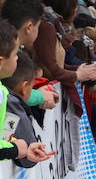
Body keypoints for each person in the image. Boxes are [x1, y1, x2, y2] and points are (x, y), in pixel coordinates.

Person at [0, 23, 55, 164]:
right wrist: (16, 149)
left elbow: (3, 136)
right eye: (15, 54)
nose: (17, 58)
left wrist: (25, 148)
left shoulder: (3, 91)